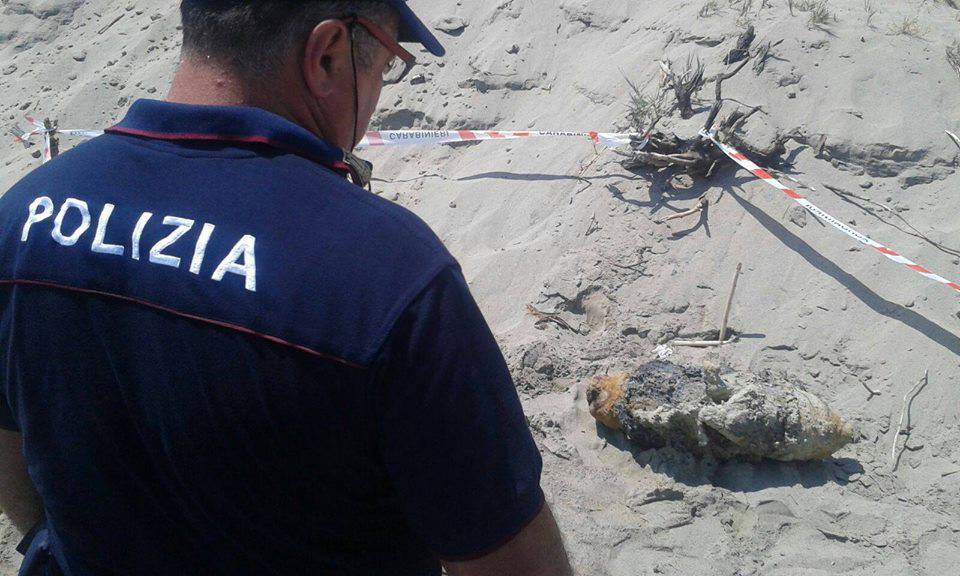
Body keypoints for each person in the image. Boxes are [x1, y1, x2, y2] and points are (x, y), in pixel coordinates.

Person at [0, 1, 574, 575]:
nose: (376, 103)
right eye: (382, 70)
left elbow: (8, 443)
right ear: (325, 55)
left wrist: (50, 542)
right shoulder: (386, 272)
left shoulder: (24, 213)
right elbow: (515, 562)